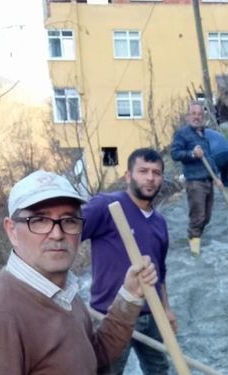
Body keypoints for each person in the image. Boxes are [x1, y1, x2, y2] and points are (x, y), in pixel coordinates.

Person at [0, 170, 158, 374]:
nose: (57, 233)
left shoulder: (62, 290)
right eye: (40, 220)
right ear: (11, 231)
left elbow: (93, 357)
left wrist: (129, 295)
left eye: (69, 220)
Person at [81, 148, 176, 375]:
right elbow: (65, 235)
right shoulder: (106, 206)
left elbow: (160, 273)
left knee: (159, 369)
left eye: (156, 172)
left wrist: (166, 310)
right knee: (107, 371)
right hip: (111, 316)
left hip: (150, 315)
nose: (150, 178)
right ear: (128, 176)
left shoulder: (159, 222)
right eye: (143, 171)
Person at [171, 101, 223, 255]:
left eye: (199, 114)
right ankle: (195, 252)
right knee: (198, 217)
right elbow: (175, 154)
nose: (197, 117)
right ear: (188, 116)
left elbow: (209, 158)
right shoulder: (182, 134)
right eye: (193, 114)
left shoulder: (203, 134)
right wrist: (192, 154)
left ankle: (195, 238)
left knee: (206, 217)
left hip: (208, 180)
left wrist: (216, 178)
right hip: (195, 182)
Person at [205, 128, 228, 198]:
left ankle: (207, 198)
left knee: (209, 177)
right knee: (224, 177)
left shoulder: (199, 135)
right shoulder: (214, 132)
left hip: (218, 155)